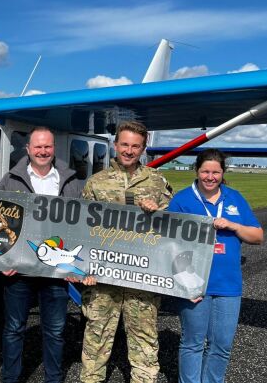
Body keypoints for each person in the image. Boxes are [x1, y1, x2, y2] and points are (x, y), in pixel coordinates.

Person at [75, 120, 173, 383]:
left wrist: (159, 211)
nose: (129, 151)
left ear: (143, 149)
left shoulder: (157, 182)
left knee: (144, 343)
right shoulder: (96, 183)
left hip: (141, 278)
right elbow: (82, 231)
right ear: (116, 145)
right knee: (95, 341)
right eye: (125, 145)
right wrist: (83, 268)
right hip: (103, 279)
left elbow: (175, 231)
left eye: (136, 146)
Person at [167, 149, 263, 383]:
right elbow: (168, 247)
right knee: (193, 343)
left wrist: (233, 225)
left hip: (228, 285)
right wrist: (182, 286)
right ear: (197, 171)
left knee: (222, 345)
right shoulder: (181, 200)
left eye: (216, 172)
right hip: (193, 283)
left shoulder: (234, 198)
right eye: (205, 171)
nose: (210, 177)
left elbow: (258, 236)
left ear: (223, 173)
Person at [0, 127, 83, 383]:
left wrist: (73, 267)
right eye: (38, 147)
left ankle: (53, 379)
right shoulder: (10, 179)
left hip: (55, 272)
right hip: (19, 271)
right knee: (13, 329)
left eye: (47, 147)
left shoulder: (70, 180)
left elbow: (79, 227)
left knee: (55, 331)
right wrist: (2, 261)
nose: (43, 151)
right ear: (28, 149)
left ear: (54, 148)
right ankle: (11, 379)